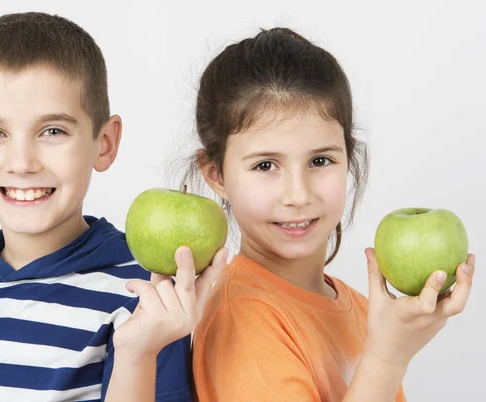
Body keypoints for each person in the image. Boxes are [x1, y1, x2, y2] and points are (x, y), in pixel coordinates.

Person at [0, 12, 226, 402]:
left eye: (52, 131)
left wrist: (138, 353)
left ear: (105, 142)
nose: (22, 162)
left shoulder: (147, 298)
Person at [187, 27, 475, 401]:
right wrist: (387, 358)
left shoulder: (362, 308)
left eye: (320, 160)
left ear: (347, 159)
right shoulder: (242, 314)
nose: (298, 194)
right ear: (216, 175)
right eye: (265, 166)